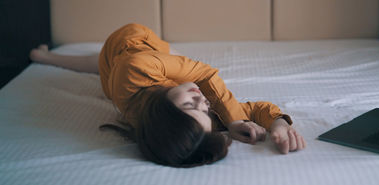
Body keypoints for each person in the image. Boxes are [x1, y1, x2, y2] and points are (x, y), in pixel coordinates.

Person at [30, 23, 305, 167]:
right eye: (204, 108)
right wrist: (277, 123)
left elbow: (204, 74)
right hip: (128, 53)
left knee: (101, 62)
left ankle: (47, 57)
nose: (203, 99)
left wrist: (230, 118)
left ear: (164, 111)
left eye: (190, 103)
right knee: (159, 65)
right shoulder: (190, 123)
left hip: (126, 52)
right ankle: (46, 55)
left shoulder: (138, 68)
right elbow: (252, 109)